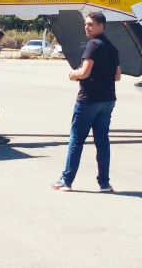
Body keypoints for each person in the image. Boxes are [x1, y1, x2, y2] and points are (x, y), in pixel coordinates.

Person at [53, 12, 121, 192]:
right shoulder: (113, 48)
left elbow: (84, 72)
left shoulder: (92, 45)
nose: (87, 27)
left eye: (91, 24)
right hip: (107, 100)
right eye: (86, 24)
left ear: (101, 26)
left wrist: (73, 74)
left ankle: (66, 180)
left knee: (76, 140)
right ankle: (104, 183)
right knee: (102, 142)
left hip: (88, 101)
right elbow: (118, 76)